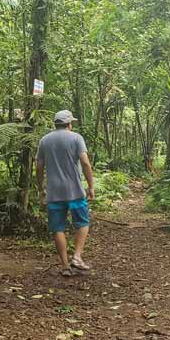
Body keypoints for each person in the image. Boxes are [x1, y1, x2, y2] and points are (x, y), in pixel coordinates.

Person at [36, 110, 95, 277]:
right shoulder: (76, 138)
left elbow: (39, 167)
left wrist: (41, 188)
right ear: (69, 124)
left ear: (55, 123)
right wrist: (90, 186)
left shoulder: (44, 140)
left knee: (58, 228)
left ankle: (64, 266)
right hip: (75, 191)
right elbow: (85, 163)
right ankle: (76, 256)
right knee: (83, 223)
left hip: (54, 193)